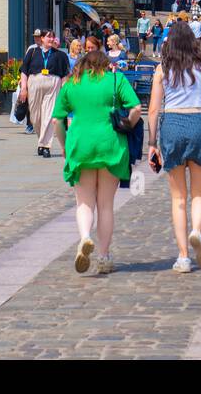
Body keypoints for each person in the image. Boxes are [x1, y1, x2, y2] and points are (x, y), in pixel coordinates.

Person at [147, 20, 201, 273]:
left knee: (178, 198)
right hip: (199, 122)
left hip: (172, 124)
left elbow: (152, 110)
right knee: (199, 194)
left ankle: (183, 257)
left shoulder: (162, 68)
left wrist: (152, 144)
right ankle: (197, 231)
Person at [50, 48, 141, 275]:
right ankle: (103, 256)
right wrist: (127, 125)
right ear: (104, 63)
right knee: (106, 205)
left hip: (80, 146)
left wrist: (63, 146)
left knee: (84, 203)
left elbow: (56, 120)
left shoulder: (72, 83)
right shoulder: (114, 79)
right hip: (110, 144)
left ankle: (85, 237)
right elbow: (136, 108)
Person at [19, 30, 72, 157]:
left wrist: (65, 92)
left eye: (53, 37)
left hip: (53, 84)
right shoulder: (32, 52)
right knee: (35, 117)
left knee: (48, 115)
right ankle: (41, 139)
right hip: (34, 83)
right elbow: (24, 71)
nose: (51, 39)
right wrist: (24, 88)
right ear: (42, 38)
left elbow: (65, 75)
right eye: (48, 36)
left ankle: (45, 145)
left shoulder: (60, 55)